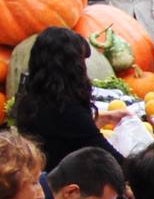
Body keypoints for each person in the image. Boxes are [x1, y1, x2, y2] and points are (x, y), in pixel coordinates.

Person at [15, 28, 128, 170]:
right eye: (82, 62)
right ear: (72, 68)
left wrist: (101, 119)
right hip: (69, 184)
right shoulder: (68, 111)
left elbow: (68, 137)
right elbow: (111, 159)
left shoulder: (29, 102)